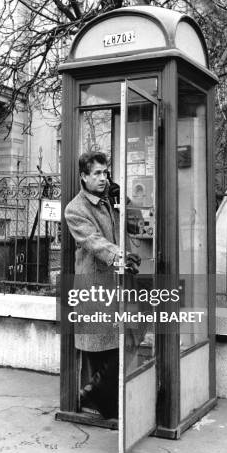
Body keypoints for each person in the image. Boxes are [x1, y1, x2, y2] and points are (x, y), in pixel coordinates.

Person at [64, 151, 140, 419]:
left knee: (130, 336)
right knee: (104, 349)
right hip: (95, 288)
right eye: (96, 173)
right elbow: (93, 241)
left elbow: (135, 224)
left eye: (105, 173)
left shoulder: (111, 200)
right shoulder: (75, 209)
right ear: (83, 176)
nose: (102, 178)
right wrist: (119, 255)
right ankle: (98, 399)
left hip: (119, 284)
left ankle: (96, 393)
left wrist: (125, 202)